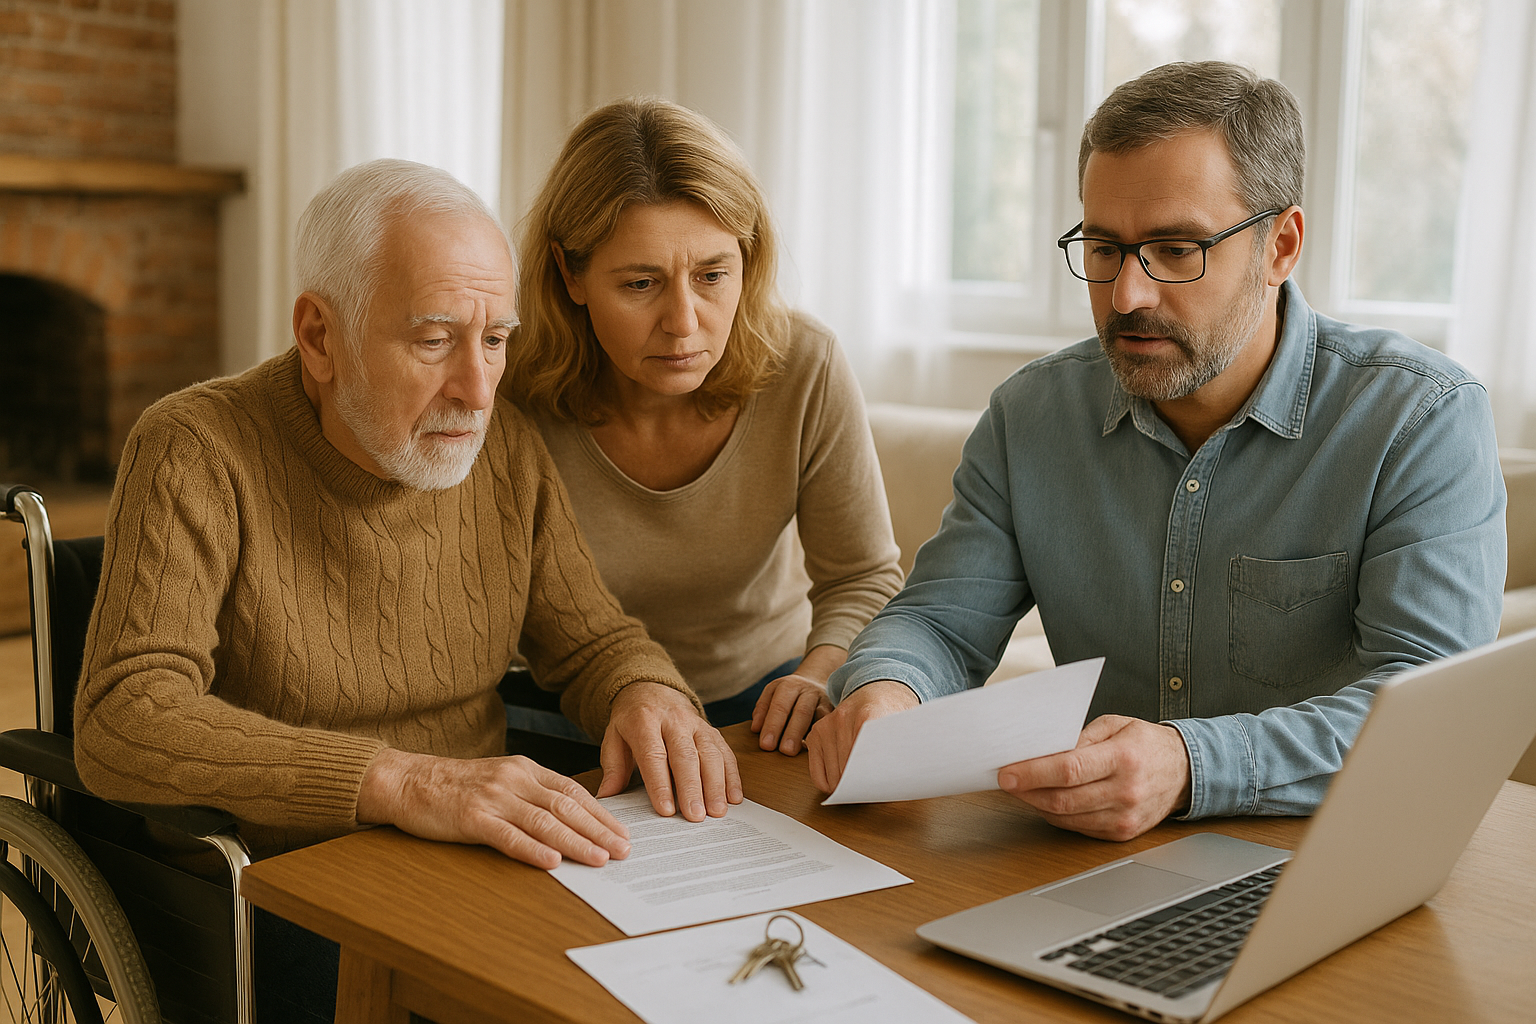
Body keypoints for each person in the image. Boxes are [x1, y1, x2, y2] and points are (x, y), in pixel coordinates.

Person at [73, 159, 741, 1020]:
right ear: (319, 337)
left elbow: (591, 639)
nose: (477, 388)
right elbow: (125, 715)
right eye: (433, 340)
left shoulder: (505, 448)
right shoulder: (196, 449)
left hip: (473, 857)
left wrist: (645, 690)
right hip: (278, 882)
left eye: (495, 339)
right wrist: (405, 783)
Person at [808, 61, 1506, 841]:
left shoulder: (1420, 419)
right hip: (1083, 860)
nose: (1128, 296)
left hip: (1328, 859)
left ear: (1281, 246)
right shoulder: (1030, 416)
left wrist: (1188, 764)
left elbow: (1423, 708)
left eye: (1176, 249)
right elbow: (939, 623)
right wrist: (887, 690)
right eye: (1104, 248)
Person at [501, 98, 904, 757]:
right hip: (566, 710)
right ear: (570, 274)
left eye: (714, 275)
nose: (684, 322)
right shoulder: (506, 385)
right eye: (640, 283)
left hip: (763, 707)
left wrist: (821, 670)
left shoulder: (805, 363)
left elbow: (862, 576)